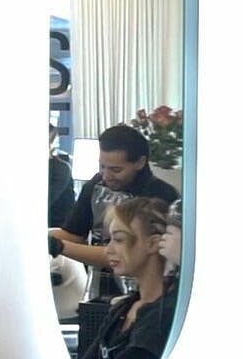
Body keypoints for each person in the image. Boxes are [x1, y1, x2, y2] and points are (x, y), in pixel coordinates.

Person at [49, 124, 178, 299]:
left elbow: (124, 254)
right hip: (97, 286)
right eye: (102, 167)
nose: (106, 176)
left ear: (140, 162)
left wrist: (59, 246)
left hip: (144, 293)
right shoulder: (96, 185)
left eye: (116, 170)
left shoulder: (159, 197)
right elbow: (74, 234)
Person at [77, 196, 176, 359]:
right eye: (110, 240)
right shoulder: (122, 309)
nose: (109, 249)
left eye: (119, 239)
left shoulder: (162, 318)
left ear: (153, 243)